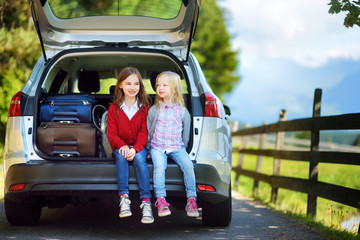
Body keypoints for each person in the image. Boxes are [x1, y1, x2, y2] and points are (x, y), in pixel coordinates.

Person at [147, 71, 199, 218]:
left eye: (165, 85)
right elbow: (149, 130)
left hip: (177, 147)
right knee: (159, 167)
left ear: (175, 88)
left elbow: (186, 134)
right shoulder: (154, 110)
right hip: (157, 147)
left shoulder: (183, 112)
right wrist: (149, 148)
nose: (160, 87)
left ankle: (191, 200)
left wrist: (183, 148)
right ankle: (161, 201)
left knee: (188, 166)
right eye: (158, 85)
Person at [107, 67, 154, 224]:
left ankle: (146, 202)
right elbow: (112, 134)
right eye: (128, 83)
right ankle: (124, 199)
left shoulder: (144, 108)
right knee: (121, 157)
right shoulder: (114, 108)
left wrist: (135, 149)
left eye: (136, 84)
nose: (132, 87)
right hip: (121, 146)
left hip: (139, 146)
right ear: (120, 85)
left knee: (140, 160)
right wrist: (123, 147)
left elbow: (144, 134)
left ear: (140, 86)